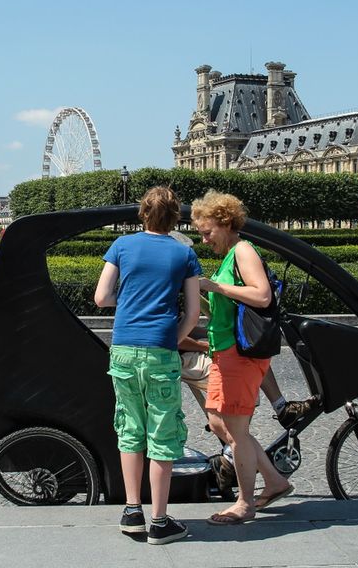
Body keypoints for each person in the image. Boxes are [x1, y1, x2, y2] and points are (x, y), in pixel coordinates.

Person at [95, 186, 201, 545]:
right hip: (160, 348)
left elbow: (101, 297)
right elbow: (193, 311)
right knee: (162, 432)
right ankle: (159, 520)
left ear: (142, 213)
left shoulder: (122, 247)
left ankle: (131, 510)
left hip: (124, 346)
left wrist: (127, 301)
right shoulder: (182, 252)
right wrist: (174, 336)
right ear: (176, 217)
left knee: (130, 429)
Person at [191, 190, 303, 525]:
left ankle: (244, 503)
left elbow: (261, 295)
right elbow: (230, 307)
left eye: (207, 231)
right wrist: (204, 294)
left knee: (237, 431)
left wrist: (216, 287)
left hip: (241, 354)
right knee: (217, 420)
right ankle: (274, 480)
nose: (204, 239)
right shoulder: (229, 256)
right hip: (225, 352)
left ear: (225, 223)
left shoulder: (242, 250)